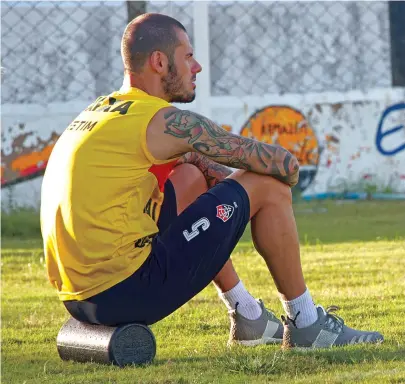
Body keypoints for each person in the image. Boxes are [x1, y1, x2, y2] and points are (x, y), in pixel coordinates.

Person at [40, 13, 383, 349]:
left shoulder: (102, 110)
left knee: (189, 176)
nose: (197, 66)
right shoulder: (162, 120)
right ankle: (307, 324)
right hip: (128, 290)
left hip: (78, 299)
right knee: (269, 185)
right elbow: (284, 166)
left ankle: (247, 314)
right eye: (187, 56)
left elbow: (188, 165)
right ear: (159, 62)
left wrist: (205, 171)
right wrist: (250, 188)